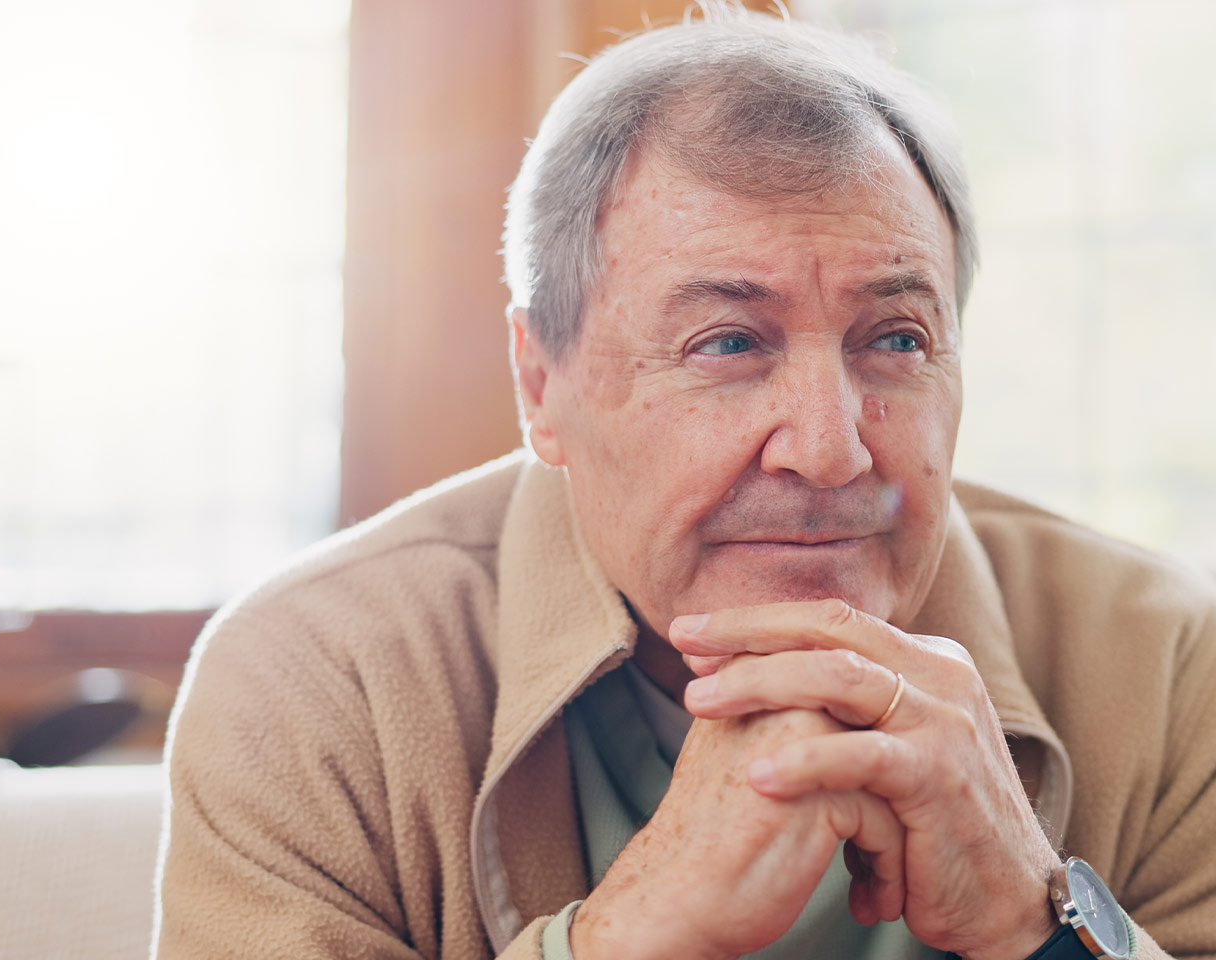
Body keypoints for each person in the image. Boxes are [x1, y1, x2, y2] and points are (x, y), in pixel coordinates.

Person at [152, 8, 1216, 960]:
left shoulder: (1169, 666)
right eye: (726, 343)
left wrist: (1041, 927)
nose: (829, 449)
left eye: (895, 337)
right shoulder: (315, 681)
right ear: (541, 383)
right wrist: (624, 938)